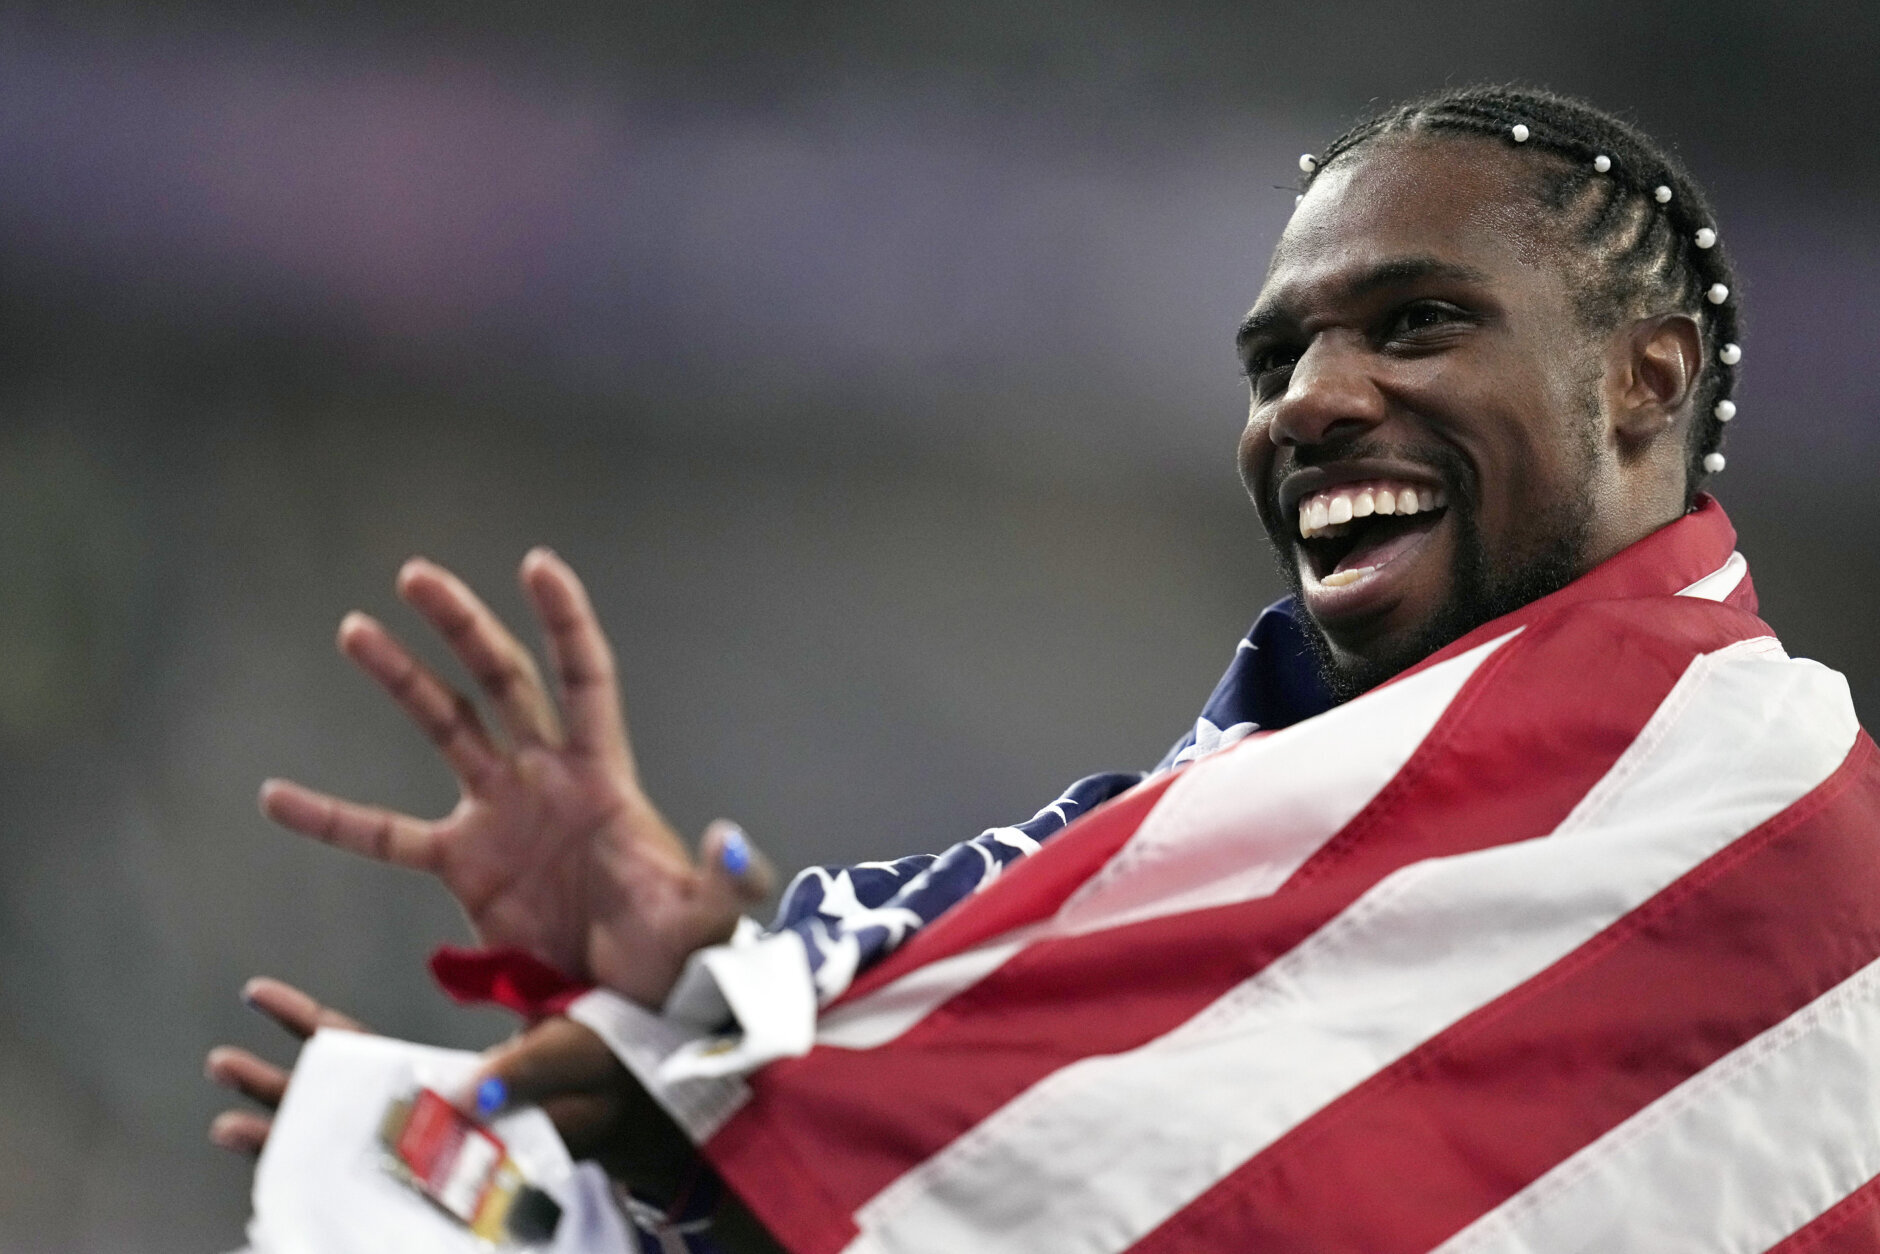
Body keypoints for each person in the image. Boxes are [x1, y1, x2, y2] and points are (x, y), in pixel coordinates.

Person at [209, 86, 1880, 1253]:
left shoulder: (1773, 824)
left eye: (1416, 324)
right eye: (1276, 355)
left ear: (1646, 379)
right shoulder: (1232, 813)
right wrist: (722, 988)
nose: (1307, 399)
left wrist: (772, 1109)